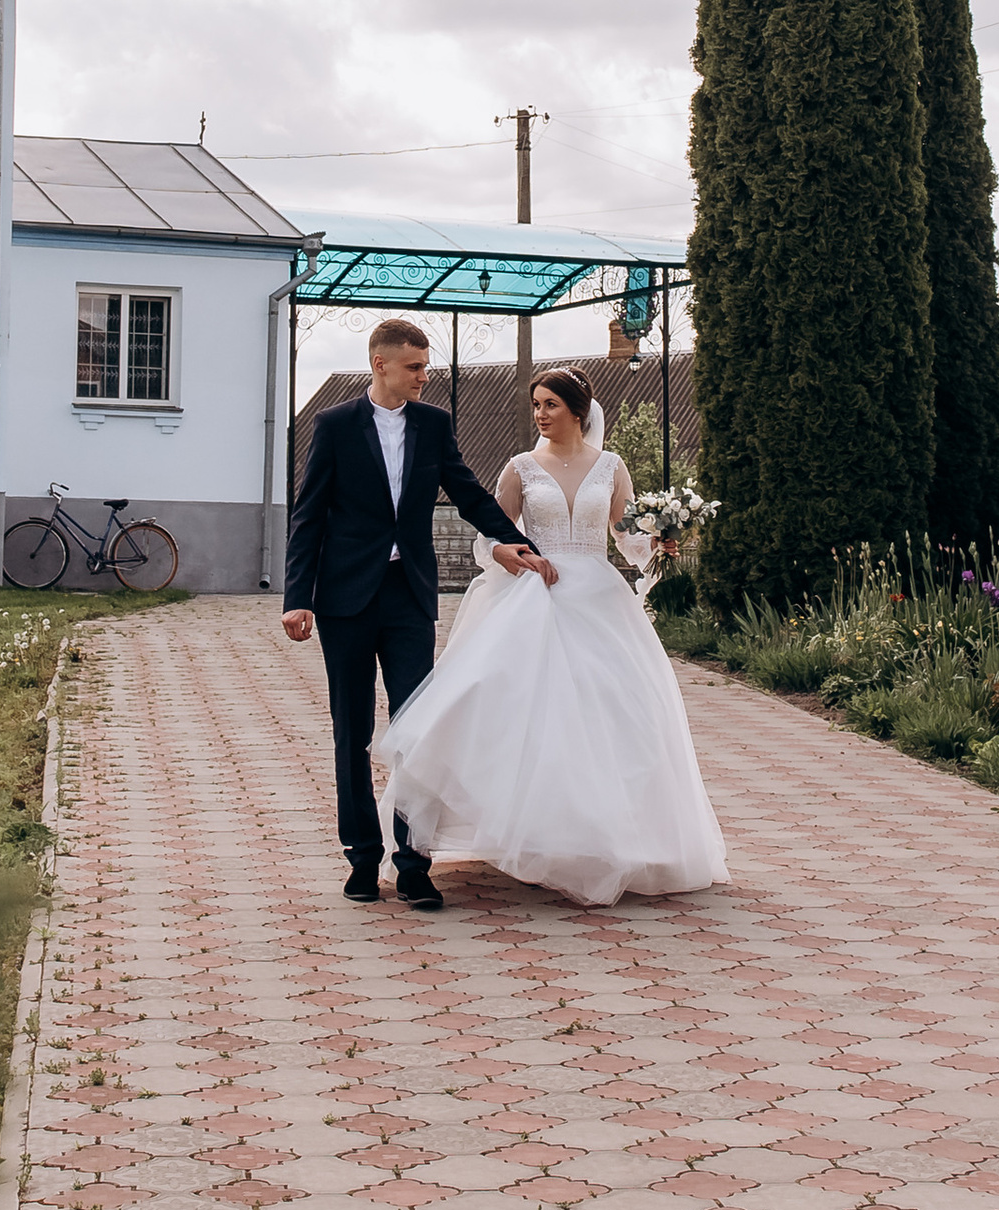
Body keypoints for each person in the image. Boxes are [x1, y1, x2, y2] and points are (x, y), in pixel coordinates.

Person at [378, 364, 729, 909]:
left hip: (600, 601)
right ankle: (529, 834)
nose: (540, 414)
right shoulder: (520, 467)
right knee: (528, 714)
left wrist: (658, 545)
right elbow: (489, 536)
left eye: (550, 405)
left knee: (611, 717)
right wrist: (504, 552)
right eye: (536, 404)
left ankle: (605, 840)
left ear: (578, 412)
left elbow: (624, 536)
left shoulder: (611, 467)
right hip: (535, 596)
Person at [282, 317, 556, 907]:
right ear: (380, 364)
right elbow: (309, 515)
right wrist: (297, 596)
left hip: (409, 597)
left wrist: (519, 544)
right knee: (352, 731)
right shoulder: (334, 426)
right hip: (345, 600)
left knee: (418, 730)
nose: (423, 376)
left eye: (425, 367)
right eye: (414, 367)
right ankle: (362, 857)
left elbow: (468, 491)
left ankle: (413, 864)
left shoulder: (434, 424)